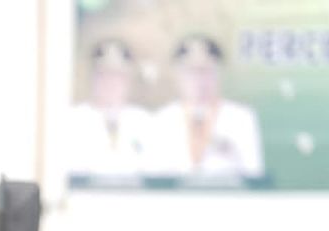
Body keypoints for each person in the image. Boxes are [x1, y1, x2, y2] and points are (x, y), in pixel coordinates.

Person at [146, 36, 264, 180]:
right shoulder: (161, 119)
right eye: (191, 72)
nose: (199, 80)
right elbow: (152, 177)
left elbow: (254, 174)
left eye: (206, 71)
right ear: (178, 76)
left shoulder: (241, 118)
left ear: (218, 74)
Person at [68, 40, 152, 178]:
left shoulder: (143, 121)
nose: (110, 82)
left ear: (128, 80)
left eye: (118, 75)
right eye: (103, 74)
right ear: (93, 77)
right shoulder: (74, 119)